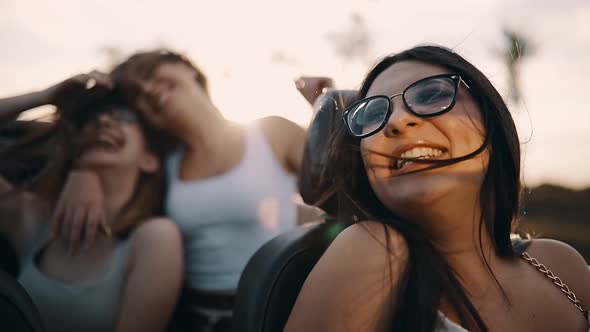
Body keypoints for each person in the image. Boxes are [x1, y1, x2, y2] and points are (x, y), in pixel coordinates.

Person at [285, 45, 590, 332]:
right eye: (372, 115)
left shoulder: (559, 262)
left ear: (491, 120)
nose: (398, 120)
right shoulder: (372, 249)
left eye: (431, 94)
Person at [49, 49, 326, 330]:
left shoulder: (272, 133)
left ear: (188, 69)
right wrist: (84, 172)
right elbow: (106, 163)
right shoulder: (161, 164)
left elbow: (342, 193)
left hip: (275, 312)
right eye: (136, 96)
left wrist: (328, 108)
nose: (147, 89)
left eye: (149, 74)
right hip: (192, 321)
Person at [0, 84, 183, 332]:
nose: (104, 121)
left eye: (124, 117)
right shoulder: (34, 218)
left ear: (149, 160)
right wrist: (44, 97)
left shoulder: (154, 237)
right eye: (91, 118)